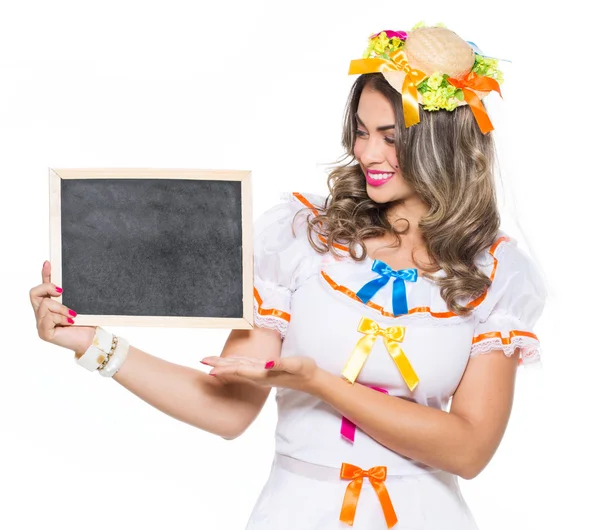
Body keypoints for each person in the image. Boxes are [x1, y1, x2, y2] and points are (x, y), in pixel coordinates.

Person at [29, 24, 546, 530]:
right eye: (362, 132)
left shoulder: (494, 272)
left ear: (443, 144)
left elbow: (469, 449)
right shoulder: (305, 237)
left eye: (390, 138)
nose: (367, 154)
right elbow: (227, 411)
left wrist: (320, 382)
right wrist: (92, 344)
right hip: (300, 513)